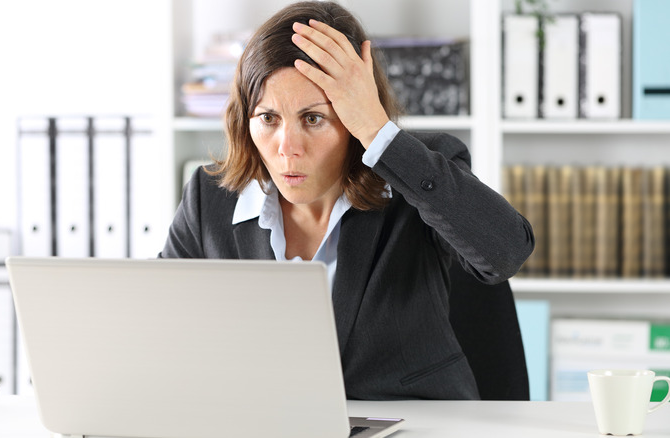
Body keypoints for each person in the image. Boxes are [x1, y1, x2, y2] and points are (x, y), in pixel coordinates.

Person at [160, 1, 534, 400]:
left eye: (313, 119)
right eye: (268, 118)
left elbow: (507, 251)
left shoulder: (416, 178)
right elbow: (158, 325)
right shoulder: (208, 197)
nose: (288, 148)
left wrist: (379, 133)